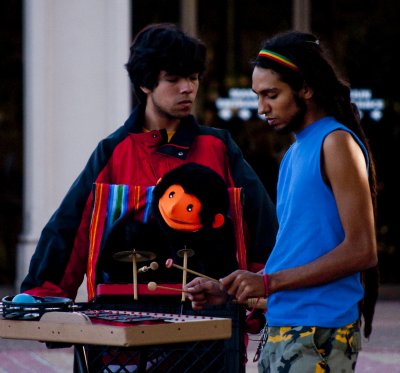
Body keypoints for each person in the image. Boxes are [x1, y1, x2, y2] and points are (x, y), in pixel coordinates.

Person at [20, 23, 278, 301]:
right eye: (173, 79)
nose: (187, 88)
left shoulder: (219, 147)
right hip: (123, 325)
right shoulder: (113, 152)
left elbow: (262, 224)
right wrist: (42, 295)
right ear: (145, 83)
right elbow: (68, 232)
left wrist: (262, 293)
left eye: (193, 77)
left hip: (210, 326)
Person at [186, 30, 379, 372]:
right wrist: (232, 292)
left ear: (305, 88)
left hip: (320, 333)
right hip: (284, 328)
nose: (262, 108)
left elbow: (362, 249)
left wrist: (268, 282)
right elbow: (299, 252)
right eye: (258, 96)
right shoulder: (294, 152)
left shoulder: (336, 143)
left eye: (271, 94)